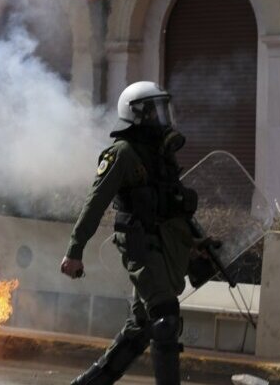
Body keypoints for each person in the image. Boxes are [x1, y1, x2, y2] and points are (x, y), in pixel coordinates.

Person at [61, 81, 201, 385]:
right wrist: (75, 249)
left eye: (162, 109)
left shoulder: (162, 153)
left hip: (165, 245)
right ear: (136, 114)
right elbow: (95, 203)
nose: (160, 117)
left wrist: (196, 242)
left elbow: (173, 203)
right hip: (141, 245)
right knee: (165, 318)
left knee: (142, 327)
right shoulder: (121, 154)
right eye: (153, 111)